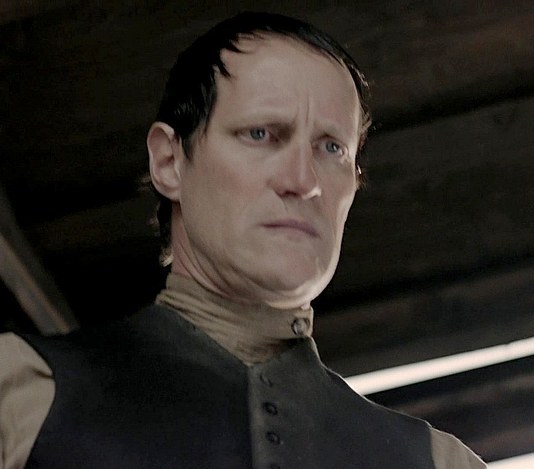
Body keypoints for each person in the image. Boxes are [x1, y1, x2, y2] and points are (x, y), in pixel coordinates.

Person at [0, 12, 486, 468]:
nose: (303, 180)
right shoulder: (20, 395)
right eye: (261, 134)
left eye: (331, 148)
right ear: (169, 162)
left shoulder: (440, 462)